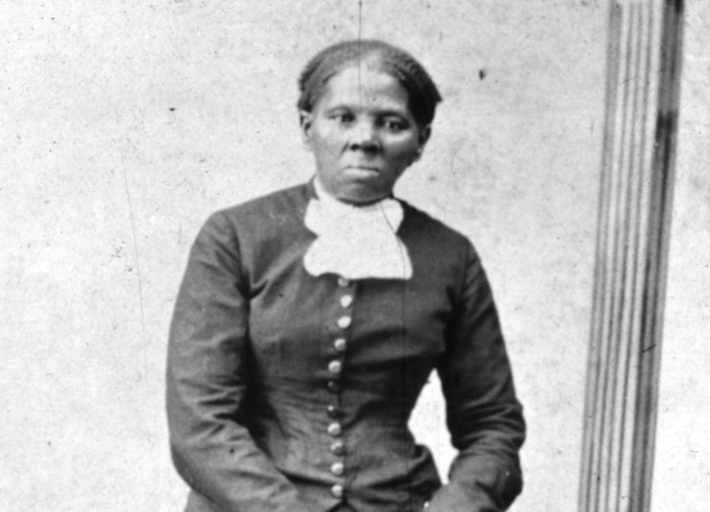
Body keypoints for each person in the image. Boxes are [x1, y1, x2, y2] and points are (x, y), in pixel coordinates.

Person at [166, 39, 525, 512]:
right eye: (343, 117)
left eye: (392, 123)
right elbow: (199, 422)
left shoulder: (451, 257)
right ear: (307, 126)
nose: (365, 139)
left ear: (421, 140)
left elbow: (493, 425)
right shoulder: (236, 236)